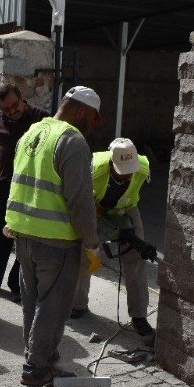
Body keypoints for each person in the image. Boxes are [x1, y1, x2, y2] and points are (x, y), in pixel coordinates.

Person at [5, 85, 102, 386]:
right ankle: (36, 368)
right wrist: (92, 241)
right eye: (93, 119)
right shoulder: (72, 140)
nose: (92, 127)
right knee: (54, 306)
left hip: (24, 235)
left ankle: (38, 352)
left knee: (33, 300)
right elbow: (79, 200)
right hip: (56, 241)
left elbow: (18, 180)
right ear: (82, 111)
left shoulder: (32, 132)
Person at [71, 138, 155, 336]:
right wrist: (93, 237)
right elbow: (83, 203)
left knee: (136, 258)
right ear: (111, 164)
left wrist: (127, 229)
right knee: (85, 256)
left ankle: (139, 315)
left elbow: (133, 194)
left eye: (130, 170)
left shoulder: (142, 169)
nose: (127, 175)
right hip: (94, 209)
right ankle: (78, 304)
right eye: (122, 170)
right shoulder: (93, 169)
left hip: (127, 208)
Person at [0, 83, 49, 302]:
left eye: (14, 105)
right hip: (6, 187)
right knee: (0, 233)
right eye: (6, 109)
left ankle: (17, 283)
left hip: (31, 188)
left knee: (25, 238)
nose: (12, 111)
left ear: (21, 97)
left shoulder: (42, 119)